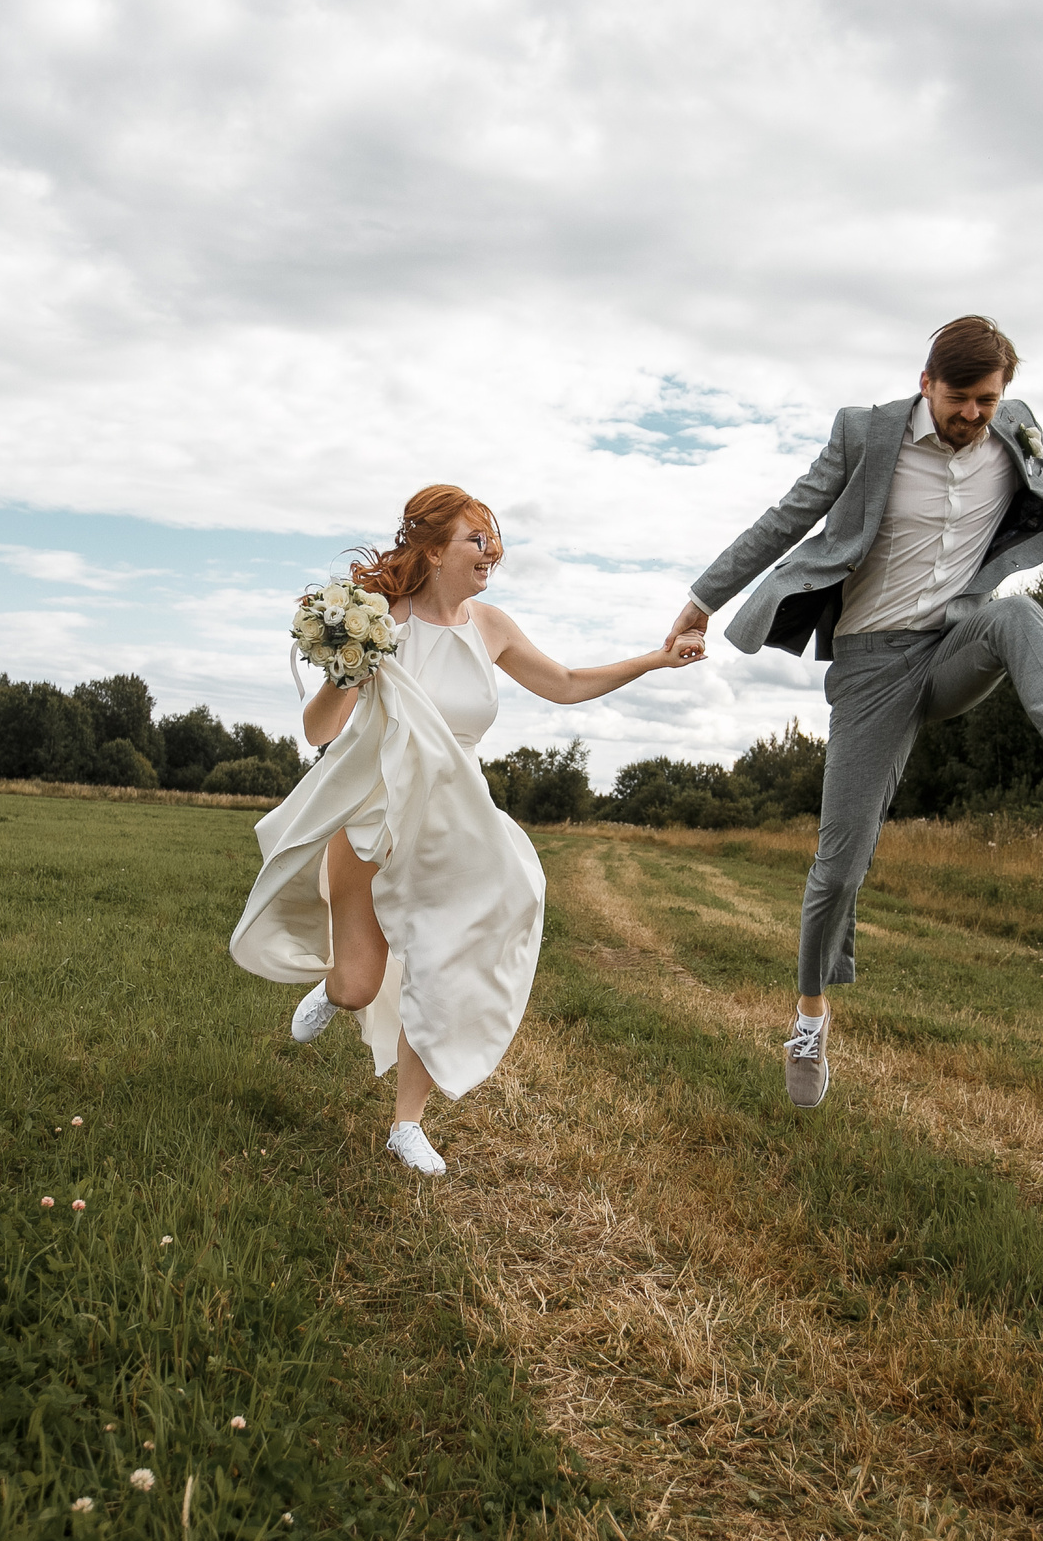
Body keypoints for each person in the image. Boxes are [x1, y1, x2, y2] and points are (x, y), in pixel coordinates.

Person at [660, 316, 1043, 1109]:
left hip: (955, 643)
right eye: (962, 399)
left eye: (989, 400)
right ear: (928, 383)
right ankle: (810, 1020)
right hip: (870, 668)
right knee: (839, 866)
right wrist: (700, 601)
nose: (974, 415)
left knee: (1020, 616)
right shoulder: (865, 436)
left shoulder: (1015, 434)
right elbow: (786, 518)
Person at [230, 484, 706, 1176]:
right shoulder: (383, 621)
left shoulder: (491, 626)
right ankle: (336, 990)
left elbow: (568, 681)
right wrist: (347, 665)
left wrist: (656, 659)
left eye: (493, 539)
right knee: (361, 984)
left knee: (445, 961)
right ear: (431, 549)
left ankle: (406, 1124)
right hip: (374, 818)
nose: (492, 551)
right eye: (475, 539)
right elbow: (318, 730)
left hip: (455, 826)